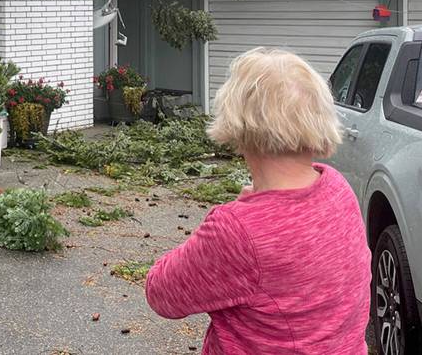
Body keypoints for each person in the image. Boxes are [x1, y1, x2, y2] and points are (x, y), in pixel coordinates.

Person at [145, 47, 370, 354]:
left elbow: (161, 294)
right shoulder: (336, 187)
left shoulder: (235, 231)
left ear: (241, 123)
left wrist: (229, 224)